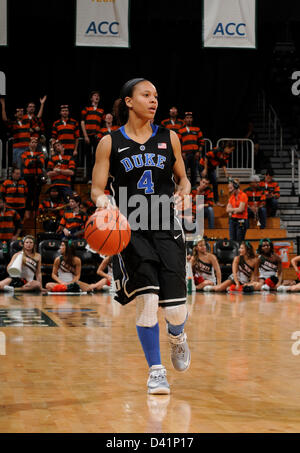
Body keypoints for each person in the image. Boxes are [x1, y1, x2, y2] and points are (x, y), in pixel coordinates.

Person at [91, 78, 191, 395]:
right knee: (147, 301)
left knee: (175, 310)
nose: (154, 100)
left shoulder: (169, 137)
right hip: (131, 229)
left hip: (166, 225)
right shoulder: (110, 142)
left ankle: (178, 336)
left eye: (156, 96)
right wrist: (103, 200)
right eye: (146, 95)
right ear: (129, 102)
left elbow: (184, 180)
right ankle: (156, 371)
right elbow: (96, 187)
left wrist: (184, 194)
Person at [199, 141, 235, 206]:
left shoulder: (227, 155)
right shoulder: (217, 150)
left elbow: (223, 164)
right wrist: (205, 169)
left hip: (212, 168)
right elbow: (206, 157)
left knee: (215, 183)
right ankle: (201, 202)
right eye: (231, 149)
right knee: (204, 183)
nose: (231, 151)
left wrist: (226, 173)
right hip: (203, 165)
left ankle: (216, 201)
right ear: (227, 147)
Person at [0, 98, 32, 169]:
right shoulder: (13, 123)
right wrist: (3, 106)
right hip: (17, 148)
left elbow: (37, 118)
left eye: (22, 111)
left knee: (26, 167)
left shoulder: (27, 122)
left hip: (27, 147)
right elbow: (5, 119)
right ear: (15, 114)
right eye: (18, 111)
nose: (20, 113)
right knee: (17, 167)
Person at [81, 91, 105, 182]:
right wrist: (85, 136)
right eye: (95, 95)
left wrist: (100, 135)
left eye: (98, 96)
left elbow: (103, 124)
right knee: (88, 157)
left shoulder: (101, 111)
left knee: (96, 157)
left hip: (96, 137)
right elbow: (82, 122)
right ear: (91, 98)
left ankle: (96, 177)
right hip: (88, 136)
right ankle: (89, 177)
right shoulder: (86, 109)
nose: (97, 97)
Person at [21, 136, 46, 219]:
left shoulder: (40, 153)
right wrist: (35, 160)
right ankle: (27, 214)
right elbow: (27, 164)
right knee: (28, 196)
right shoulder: (24, 153)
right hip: (28, 177)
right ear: (29, 144)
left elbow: (41, 163)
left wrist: (32, 161)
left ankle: (35, 214)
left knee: (36, 196)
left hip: (37, 177)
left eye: (35, 142)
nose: (34, 144)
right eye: (32, 142)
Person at [177, 112, 204, 187]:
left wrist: (198, 152)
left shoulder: (197, 129)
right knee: (184, 172)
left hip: (194, 154)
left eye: (190, 118)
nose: (189, 119)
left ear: (192, 119)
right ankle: (184, 188)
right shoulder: (180, 130)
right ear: (184, 119)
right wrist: (181, 153)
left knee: (194, 172)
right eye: (187, 118)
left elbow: (201, 142)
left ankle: (193, 188)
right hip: (185, 154)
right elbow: (178, 143)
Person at [226, 178, 248, 242]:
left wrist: (232, 210)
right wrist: (235, 210)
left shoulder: (243, 195)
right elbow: (227, 209)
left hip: (241, 220)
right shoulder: (231, 197)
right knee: (232, 241)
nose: (229, 191)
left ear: (236, 187)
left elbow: (241, 209)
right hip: (233, 220)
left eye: (230, 188)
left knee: (239, 241)